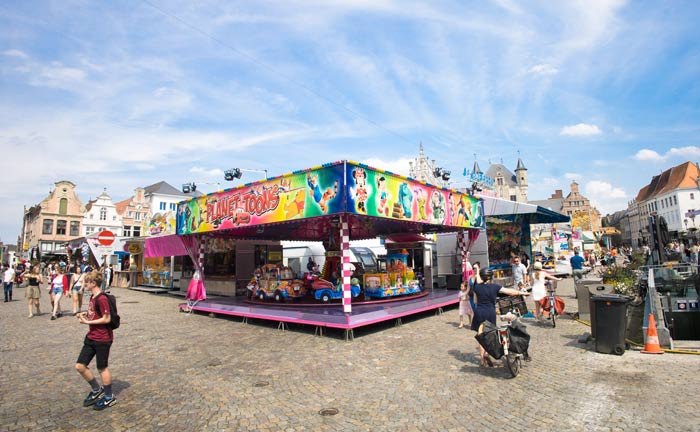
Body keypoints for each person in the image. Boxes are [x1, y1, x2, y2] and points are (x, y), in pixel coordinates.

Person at [75, 271, 117, 410]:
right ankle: (96, 389)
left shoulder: (102, 298)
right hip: (91, 337)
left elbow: (107, 319)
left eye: (86, 282)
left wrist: (87, 322)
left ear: (93, 283)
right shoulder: (93, 297)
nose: (84, 284)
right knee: (80, 366)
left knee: (102, 368)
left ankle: (109, 397)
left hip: (103, 338)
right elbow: (95, 313)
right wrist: (86, 314)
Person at [472, 268, 529, 367]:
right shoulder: (495, 287)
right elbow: (510, 292)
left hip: (479, 311)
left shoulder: (476, 288)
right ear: (491, 277)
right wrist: (522, 293)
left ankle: (482, 359)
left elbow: (475, 302)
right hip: (490, 311)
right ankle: (487, 353)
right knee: (490, 334)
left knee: (480, 334)